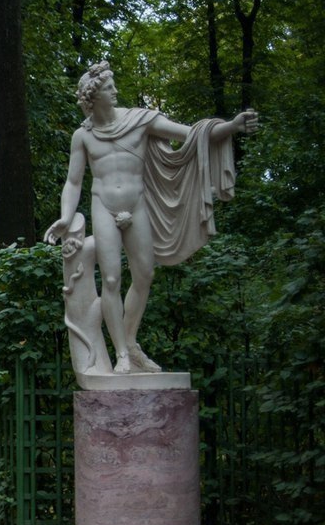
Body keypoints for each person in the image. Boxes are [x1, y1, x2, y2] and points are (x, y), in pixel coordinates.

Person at [44, 60, 258, 376]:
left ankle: (130, 342)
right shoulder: (83, 136)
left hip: (138, 206)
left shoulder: (139, 120)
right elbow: (73, 181)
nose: (115, 91)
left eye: (113, 85)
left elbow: (193, 135)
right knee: (113, 280)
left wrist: (232, 125)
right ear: (94, 96)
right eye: (108, 88)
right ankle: (121, 355)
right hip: (104, 206)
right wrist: (65, 217)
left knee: (144, 276)